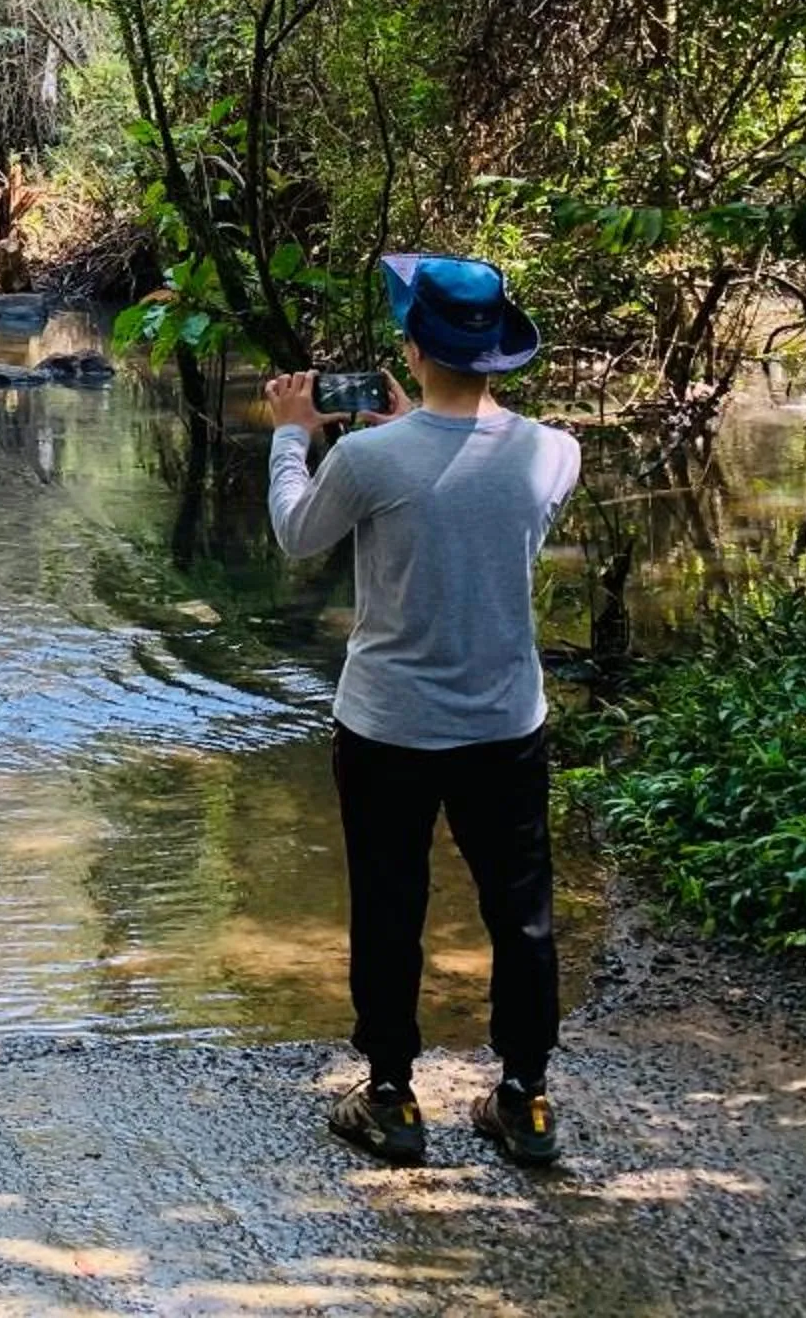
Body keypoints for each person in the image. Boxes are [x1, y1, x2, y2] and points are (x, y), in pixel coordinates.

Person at [263, 253, 581, 1169]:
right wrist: (419, 428)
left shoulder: (368, 457)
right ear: (499, 350)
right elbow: (475, 513)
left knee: (390, 902)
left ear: (412, 346)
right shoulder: (554, 452)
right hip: (505, 724)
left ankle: (392, 1096)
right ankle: (525, 1099)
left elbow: (297, 534)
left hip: (388, 726)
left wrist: (292, 435)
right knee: (520, 912)